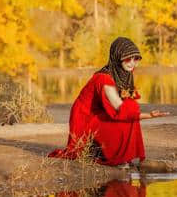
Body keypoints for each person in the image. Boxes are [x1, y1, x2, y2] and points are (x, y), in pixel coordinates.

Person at [49, 37, 170, 168]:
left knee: (130, 113)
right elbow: (120, 109)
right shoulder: (104, 79)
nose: (132, 63)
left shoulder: (123, 73)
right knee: (127, 116)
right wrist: (149, 116)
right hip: (85, 118)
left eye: (136, 59)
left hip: (101, 113)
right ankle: (112, 156)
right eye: (128, 58)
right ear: (117, 57)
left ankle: (119, 155)